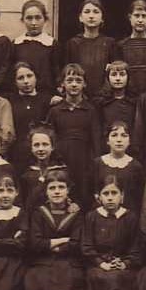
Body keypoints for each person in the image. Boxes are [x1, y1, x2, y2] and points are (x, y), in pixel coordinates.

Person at [25, 170, 85, 290]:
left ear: (68, 190)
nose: (57, 191)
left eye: (61, 187)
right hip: (42, 260)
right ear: (46, 192)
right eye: (52, 188)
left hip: (68, 260)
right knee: (34, 277)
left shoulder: (77, 214)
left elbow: (76, 243)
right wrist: (61, 241)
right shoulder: (38, 213)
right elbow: (35, 243)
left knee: (74, 278)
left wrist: (50, 244)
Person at [45, 64, 101, 210]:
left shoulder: (90, 110)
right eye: (69, 80)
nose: (74, 84)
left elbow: (96, 140)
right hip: (62, 160)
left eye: (78, 80)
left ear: (84, 84)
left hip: (84, 161)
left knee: (83, 198)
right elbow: (50, 138)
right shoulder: (55, 111)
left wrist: (94, 163)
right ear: (62, 84)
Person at [63, 0, 117, 97]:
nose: (91, 16)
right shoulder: (73, 44)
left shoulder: (109, 43)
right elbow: (68, 72)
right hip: (79, 96)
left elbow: (114, 72)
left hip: (104, 97)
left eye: (96, 12)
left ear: (102, 18)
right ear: (80, 17)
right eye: (87, 12)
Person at [6, 62, 52, 173]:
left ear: (36, 77)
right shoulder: (9, 100)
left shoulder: (47, 100)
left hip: (40, 152)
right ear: (15, 82)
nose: (26, 81)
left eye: (29, 76)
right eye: (20, 78)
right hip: (16, 153)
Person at [90, 121, 145, 213]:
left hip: (128, 218)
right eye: (114, 135)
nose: (119, 140)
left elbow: (138, 198)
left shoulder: (136, 166)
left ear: (129, 141)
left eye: (124, 135)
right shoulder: (97, 164)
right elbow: (91, 193)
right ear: (107, 140)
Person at [19, 126, 74, 211]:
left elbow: (71, 196)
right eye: (36, 145)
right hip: (32, 215)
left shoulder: (62, 170)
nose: (41, 149)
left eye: (45, 144)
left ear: (52, 147)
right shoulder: (26, 172)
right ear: (31, 148)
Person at [11, 0, 60, 95]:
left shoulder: (51, 44)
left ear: (45, 19)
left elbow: (57, 73)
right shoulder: (16, 44)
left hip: (46, 95)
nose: (33, 23)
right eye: (29, 18)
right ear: (23, 20)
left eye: (38, 18)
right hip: (21, 95)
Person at [94, 61, 138, 132]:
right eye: (114, 75)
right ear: (108, 78)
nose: (118, 78)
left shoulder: (135, 102)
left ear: (128, 77)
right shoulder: (100, 102)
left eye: (122, 74)